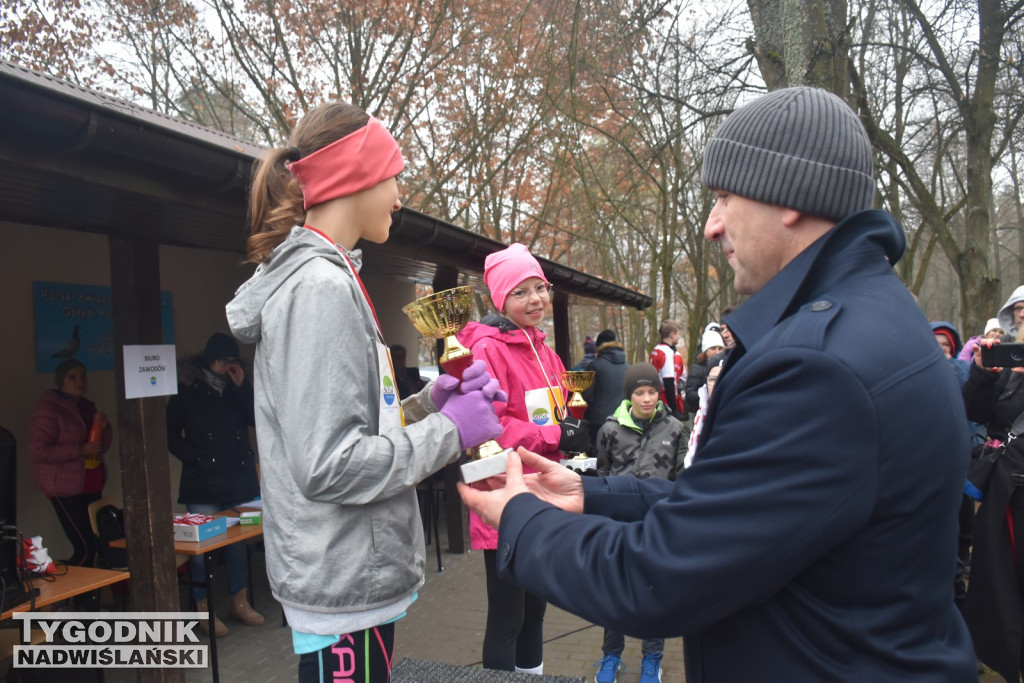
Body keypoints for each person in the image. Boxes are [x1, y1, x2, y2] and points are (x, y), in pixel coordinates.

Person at [459, 86, 976, 681]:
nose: (712, 225)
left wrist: (522, 517)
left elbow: (656, 580)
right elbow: (747, 508)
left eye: (726, 197)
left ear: (790, 195)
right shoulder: (870, 317)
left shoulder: (818, 367)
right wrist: (594, 496)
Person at [225, 102, 503, 683]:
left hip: (352, 580)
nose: (401, 196)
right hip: (343, 584)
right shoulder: (320, 288)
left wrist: (436, 403)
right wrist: (452, 432)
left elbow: (355, 426)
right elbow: (328, 464)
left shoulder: (335, 277)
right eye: (395, 175)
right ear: (356, 174)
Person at [455, 242, 589, 674]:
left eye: (540, 288)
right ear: (501, 300)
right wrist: (553, 433)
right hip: (506, 495)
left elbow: (557, 410)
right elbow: (489, 424)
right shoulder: (489, 350)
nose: (535, 299)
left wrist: (573, 430)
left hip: (545, 492)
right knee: (508, 615)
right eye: (521, 292)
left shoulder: (547, 353)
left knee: (537, 611)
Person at [593, 362, 685, 683]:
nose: (646, 399)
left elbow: (681, 480)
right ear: (629, 395)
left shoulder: (675, 429)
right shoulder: (609, 430)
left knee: (652, 593)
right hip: (618, 528)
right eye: (639, 392)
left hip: (657, 529)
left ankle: (652, 659)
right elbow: (603, 476)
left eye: (652, 392)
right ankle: (611, 656)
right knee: (614, 592)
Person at [166, 332, 263, 636]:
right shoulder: (188, 389)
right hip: (203, 481)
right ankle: (202, 608)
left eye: (232, 361)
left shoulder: (236, 388)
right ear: (209, 360)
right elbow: (168, 433)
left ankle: (239, 601)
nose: (227, 366)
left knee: (236, 545)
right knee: (203, 547)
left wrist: (241, 386)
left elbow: (254, 418)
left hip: (238, 477)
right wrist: (196, 458)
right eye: (222, 361)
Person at [960, 326, 1024, 681]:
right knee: (1003, 597)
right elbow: (973, 409)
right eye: (1020, 312)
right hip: (1007, 500)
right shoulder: (1010, 373)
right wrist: (984, 374)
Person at [29, 359, 112, 568]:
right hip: (65, 488)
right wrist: (80, 450)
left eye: (83, 376)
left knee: (100, 544)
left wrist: (105, 427)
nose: (79, 381)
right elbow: (38, 451)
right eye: (72, 377)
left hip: (91, 482)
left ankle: (90, 596)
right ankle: (71, 597)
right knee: (85, 547)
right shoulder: (50, 408)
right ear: (61, 382)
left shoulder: (87, 406)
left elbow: (100, 446)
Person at [581, 329, 628, 442]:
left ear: (599, 347)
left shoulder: (595, 365)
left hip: (599, 422)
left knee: (598, 456)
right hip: (623, 420)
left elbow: (585, 394)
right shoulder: (628, 366)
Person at [684, 359, 723, 469]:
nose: (716, 384)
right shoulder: (690, 425)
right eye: (712, 379)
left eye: (722, 378)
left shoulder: (744, 419)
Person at [682, 324, 725, 415]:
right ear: (705, 350)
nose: (717, 352)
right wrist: (707, 394)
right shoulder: (697, 369)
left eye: (720, 348)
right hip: (699, 413)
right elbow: (689, 394)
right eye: (713, 348)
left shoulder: (725, 366)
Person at [649, 320, 686, 419]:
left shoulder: (656, 349)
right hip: (665, 401)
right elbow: (668, 381)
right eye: (678, 334)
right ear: (672, 335)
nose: (679, 337)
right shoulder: (667, 352)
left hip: (656, 396)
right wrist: (674, 409)